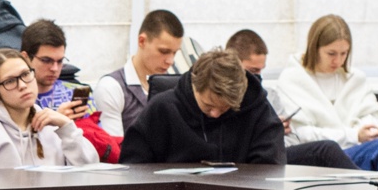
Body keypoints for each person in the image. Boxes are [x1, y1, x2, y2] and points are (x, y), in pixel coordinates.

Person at [274, 15, 378, 172]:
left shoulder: (355, 78)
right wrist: (354, 135)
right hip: (314, 159)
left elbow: (370, 114)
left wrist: (371, 130)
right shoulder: (292, 79)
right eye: (331, 53)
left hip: (356, 150)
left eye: (344, 53)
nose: (338, 61)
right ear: (314, 48)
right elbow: (300, 134)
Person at [120, 49, 285, 164]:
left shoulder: (257, 109)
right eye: (208, 106)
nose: (215, 114)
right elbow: (134, 168)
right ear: (194, 85)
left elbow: (270, 167)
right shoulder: (162, 110)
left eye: (225, 108)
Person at [225, 29, 358, 170]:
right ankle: (367, 183)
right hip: (249, 157)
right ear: (233, 66)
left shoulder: (270, 96)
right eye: (253, 71)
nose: (257, 77)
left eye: (261, 70)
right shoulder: (223, 99)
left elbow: (293, 140)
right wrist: (266, 130)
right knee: (327, 150)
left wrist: (277, 132)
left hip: (277, 154)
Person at [0, 49, 98, 170]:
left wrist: (67, 127)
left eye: (25, 74)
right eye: (10, 81)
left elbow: (90, 173)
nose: (23, 85)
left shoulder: (50, 124)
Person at [23, 19, 121, 163]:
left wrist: (69, 126)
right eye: (46, 60)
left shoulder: (75, 92)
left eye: (60, 61)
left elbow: (99, 143)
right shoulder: (19, 95)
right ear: (25, 58)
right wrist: (58, 122)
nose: (55, 68)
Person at [93, 9, 184, 137]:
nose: (170, 61)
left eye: (175, 53)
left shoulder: (176, 88)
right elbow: (113, 147)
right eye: (164, 51)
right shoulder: (111, 87)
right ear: (142, 41)